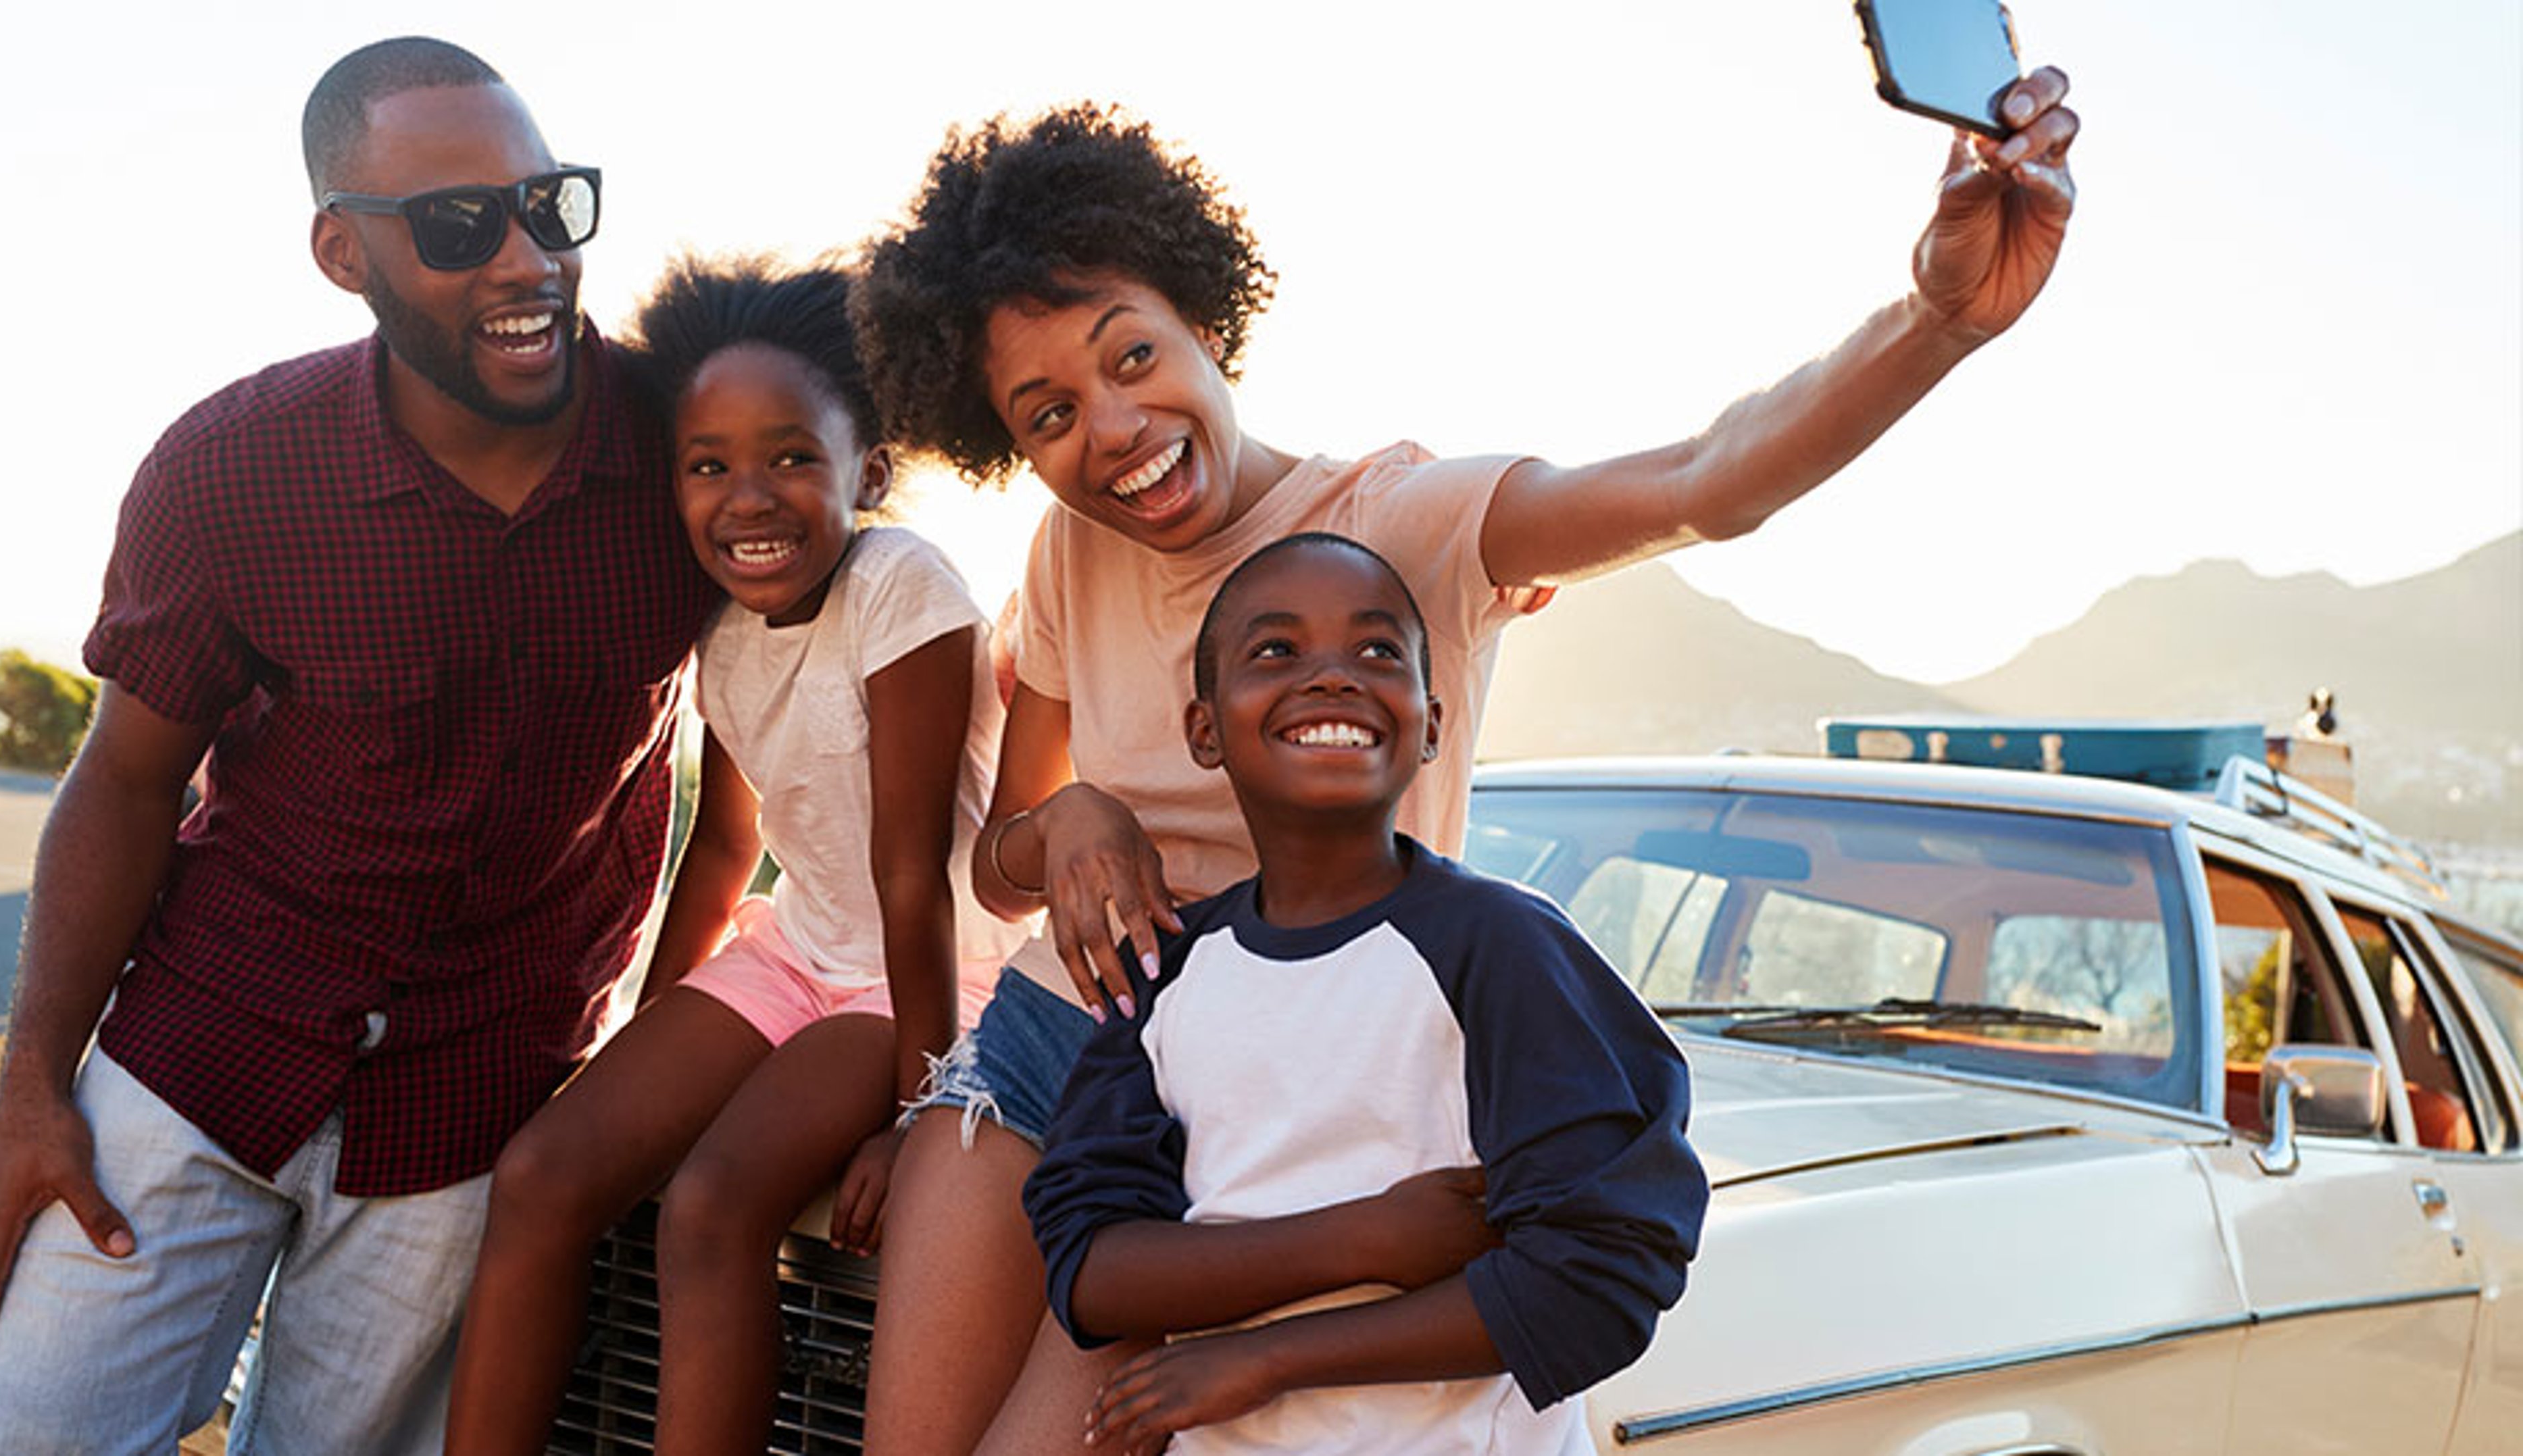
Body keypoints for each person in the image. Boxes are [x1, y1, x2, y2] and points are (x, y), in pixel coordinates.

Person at [848, 80, 2075, 1453]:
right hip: (1046, 1046)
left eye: (1131, 357)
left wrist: (1941, 321)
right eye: (1047, 414)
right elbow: (998, 857)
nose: (1111, 428)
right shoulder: (1071, 552)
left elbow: (1710, 478)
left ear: (1203, 314)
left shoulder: (1399, 525)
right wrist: (1068, 818)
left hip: (1258, 1108)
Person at [0, 38, 717, 1455]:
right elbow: (123, 783)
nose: (523, 261)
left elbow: (764, 751)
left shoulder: (693, 456)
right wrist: (33, 1097)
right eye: (455, 225)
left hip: (477, 1095)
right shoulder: (232, 468)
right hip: (198, 1048)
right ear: (340, 252)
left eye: (548, 206)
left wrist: (656, 1038)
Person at [444, 255, 1026, 1455]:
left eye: (790, 459)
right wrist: (645, 1048)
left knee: (712, 1207)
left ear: (866, 471)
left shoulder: (901, 589)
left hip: (929, 978)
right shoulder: (717, 624)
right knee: (545, 1175)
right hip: (795, 952)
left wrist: (920, 1114)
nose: (746, 497)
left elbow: (913, 876)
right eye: (708, 465)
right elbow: (723, 847)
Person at [1024, 532, 1705, 1453]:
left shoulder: (1503, 947)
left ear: (1430, 724)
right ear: (1205, 729)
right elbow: (1090, 1269)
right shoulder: (1170, 974)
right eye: (1276, 651)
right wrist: (1370, 1239)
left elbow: (1603, 1276)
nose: (1334, 676)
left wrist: (1268, 1358)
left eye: (1377, 651)